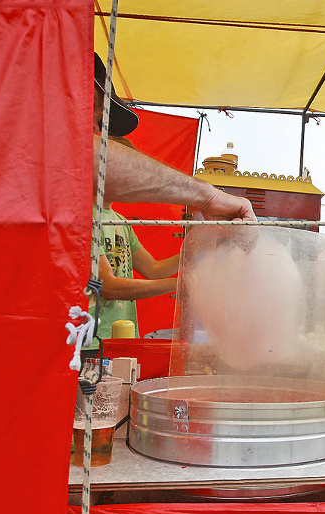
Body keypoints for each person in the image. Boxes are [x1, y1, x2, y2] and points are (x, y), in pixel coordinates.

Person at [86, 54, 255, 348]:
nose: (99, 119)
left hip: (122, 336)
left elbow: (152, 268)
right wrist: (180, 285)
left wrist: (204, 245)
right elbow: (108, 286)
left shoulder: (122, 224)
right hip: (88, 341)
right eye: (98, 108)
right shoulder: (83, 218)